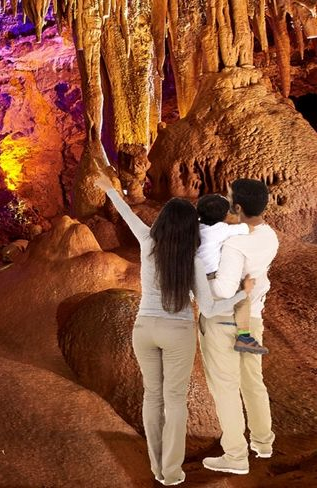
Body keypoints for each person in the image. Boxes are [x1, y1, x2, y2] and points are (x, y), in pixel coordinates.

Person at [95, 175, 253, 486]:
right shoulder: (192, 260)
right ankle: (171, 472)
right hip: (177, 331)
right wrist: (242, 293)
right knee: (175, 400)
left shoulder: (148, 242)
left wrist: (110, 189)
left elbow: (128, 214)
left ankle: (157, 467)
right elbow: (209, 309)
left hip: (144, 329)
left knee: (152, 396)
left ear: (163, 222)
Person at [200, 179, 279, 475]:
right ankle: (263, 442)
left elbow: (223, 290)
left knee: (226, 388)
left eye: (230, 197)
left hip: (224, 322)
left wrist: (201, 279)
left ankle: (235, 455)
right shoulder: (270, 236)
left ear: (238, 207)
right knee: (253, 382)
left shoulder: (234, 244)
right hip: (253, 319)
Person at [195, 195, 266, 354]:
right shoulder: (221, 229)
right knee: (243, 297)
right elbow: (250, 229)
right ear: (225, 215)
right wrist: (234, 220)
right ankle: (244, 337)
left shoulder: (195, 227)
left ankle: (203, 327)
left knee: (204, 305)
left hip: (193, 277)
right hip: (210, 277)